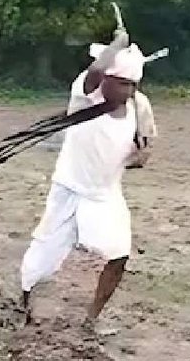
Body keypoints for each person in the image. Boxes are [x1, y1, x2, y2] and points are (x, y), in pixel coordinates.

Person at [19, 34, 158, 330]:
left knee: (119, 255)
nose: (129, 91)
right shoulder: (85, 98)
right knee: (43, 255)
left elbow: (141, 154)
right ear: (105, 80)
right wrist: (118, 44)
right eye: (122, 84)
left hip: (105, 195)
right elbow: (95, 70)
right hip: (68, 189)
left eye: (133, 85)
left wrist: (138, 156)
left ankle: (91, 320)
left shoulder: (137, 108)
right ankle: (25, 302)